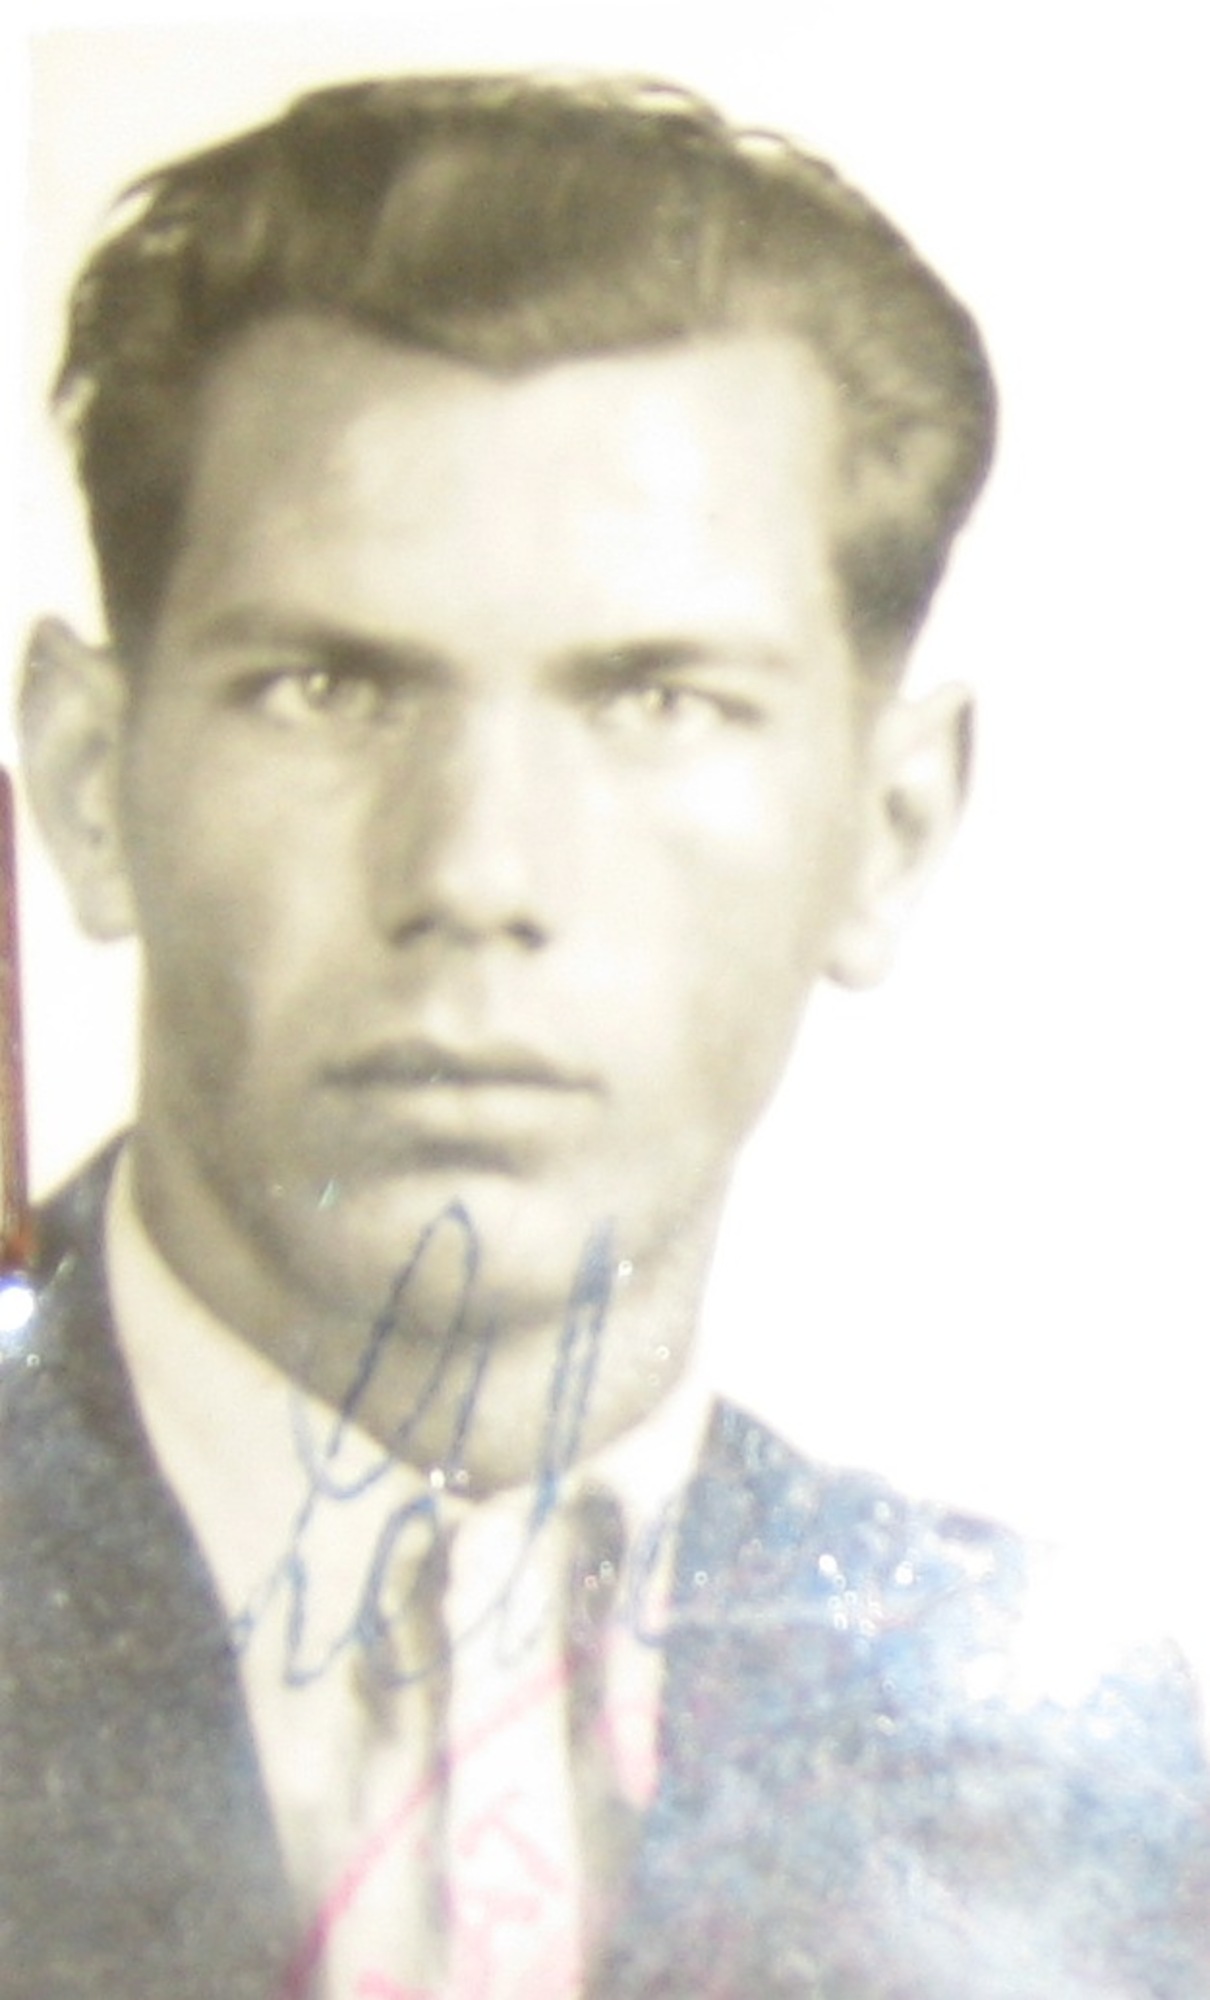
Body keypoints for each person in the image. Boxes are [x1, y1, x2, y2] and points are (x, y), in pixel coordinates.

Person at [2, 71, 1207, 2000]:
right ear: (86, 784)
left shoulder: (1099, 1787)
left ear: (889, 831)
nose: (477, 873)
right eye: (327, 687)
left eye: (657, 701)